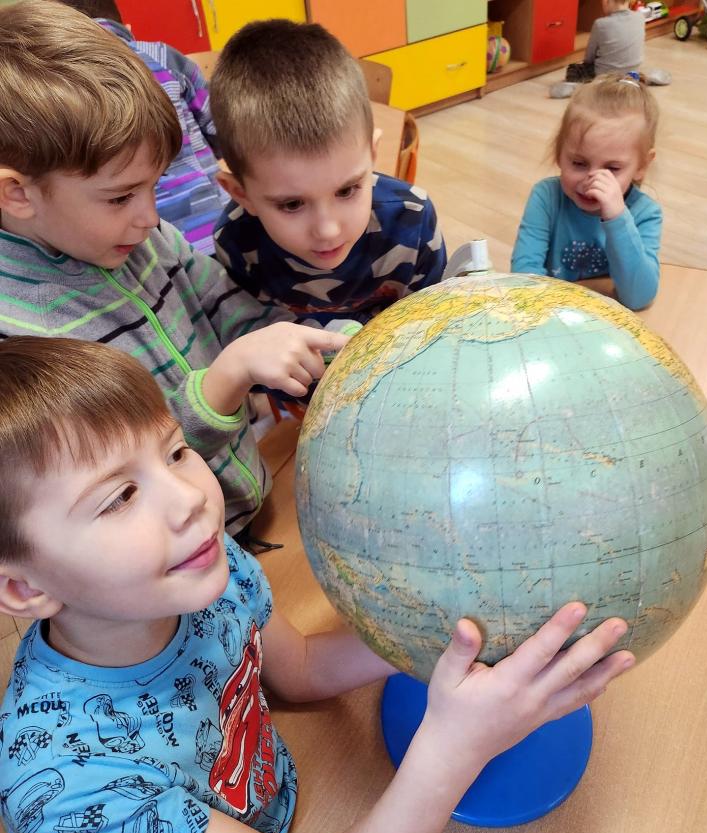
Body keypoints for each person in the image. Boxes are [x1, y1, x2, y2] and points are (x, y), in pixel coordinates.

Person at [0, 335, 635, 833]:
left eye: (175, 453)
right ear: (23, 586)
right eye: (120, 497)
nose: (190, 498)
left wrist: (439, 624)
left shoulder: (197, 575)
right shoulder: (70, 793)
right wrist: (454, 750)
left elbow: (298, 669)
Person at [0, 0, 349, 539]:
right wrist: (227, 379)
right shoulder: (19, 334)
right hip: (172, 559)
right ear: (17, 193)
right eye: (120, 197)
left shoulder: (146, 240)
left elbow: (232, 312)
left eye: (154, 186)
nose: (150, 217)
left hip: (245, 512)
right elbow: (121, 478)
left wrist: (323, 346)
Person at [210, 19, 447, 330]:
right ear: (240, 194)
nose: (328, 231)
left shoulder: (413, 219)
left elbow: (438, 324)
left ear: (373, 153)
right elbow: (253, 334)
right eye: (292, 204)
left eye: (347, 191)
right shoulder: (235, 243)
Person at [59, 0, 229, 255]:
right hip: (215, 223)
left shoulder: (56, 81)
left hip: (137, 248)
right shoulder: (161, 56)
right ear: (124, 25)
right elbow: (221, 130)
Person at [511, 73, 662, 311]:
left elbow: (639, 298)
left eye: (612, 169)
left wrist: (617, 218)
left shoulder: (645, 213)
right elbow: (524, 280)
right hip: (554, 312)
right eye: (579, 163)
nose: (593, 181)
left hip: (609, 319)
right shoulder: (546, 197)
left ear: (642, 165)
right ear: (559, 154)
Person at [550, 0, 670, 99]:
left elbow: (589, 57)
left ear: (607, 1)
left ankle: (582, 87)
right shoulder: (640, 17)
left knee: (574, 70)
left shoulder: (600, 24)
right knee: (629, 69)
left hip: (604, 76)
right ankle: (637, 78)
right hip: (631, 70)